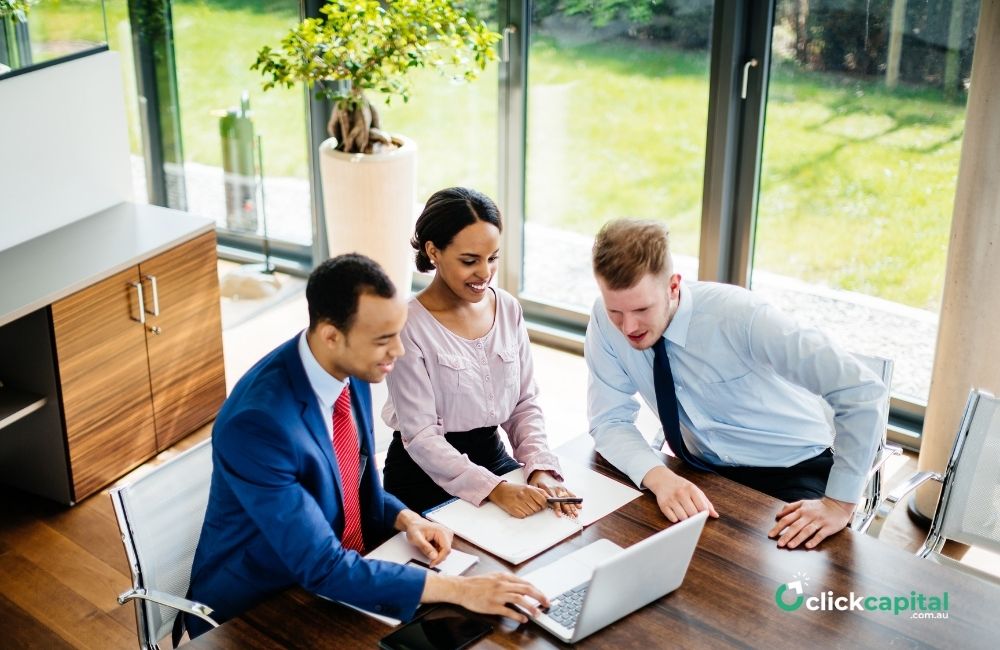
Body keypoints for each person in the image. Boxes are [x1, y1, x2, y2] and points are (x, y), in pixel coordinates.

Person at [186, 254, 547, 638]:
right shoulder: (258, 425)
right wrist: (460, 590)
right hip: (260, 608)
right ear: (331, 336)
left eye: (398, 333)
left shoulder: (349, 368)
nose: (400, 351)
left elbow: (355, 478)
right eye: (383, 340)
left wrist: (405, 517)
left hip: (340, 571)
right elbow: (322, 567)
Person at [585, 219, 888, 550]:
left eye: (642, 309)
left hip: (792, 468)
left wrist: (840, 503)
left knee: (782, 589)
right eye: (617, 310)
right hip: (701, 468)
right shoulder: (604, 319)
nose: (628, 326)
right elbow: (609, 420)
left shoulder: (741, 317)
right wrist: (659, 477)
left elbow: (862, 391)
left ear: (673, 286)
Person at [382, 187, 578, 519]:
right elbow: (421, 437)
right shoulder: (408, 325)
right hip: (422, 477)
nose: (485, 273)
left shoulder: (508, 309)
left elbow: (524, 403)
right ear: (434, 252)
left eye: (493, 258)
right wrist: (496, 490)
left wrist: (538, 467)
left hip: (493, 459)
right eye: (470, 261)